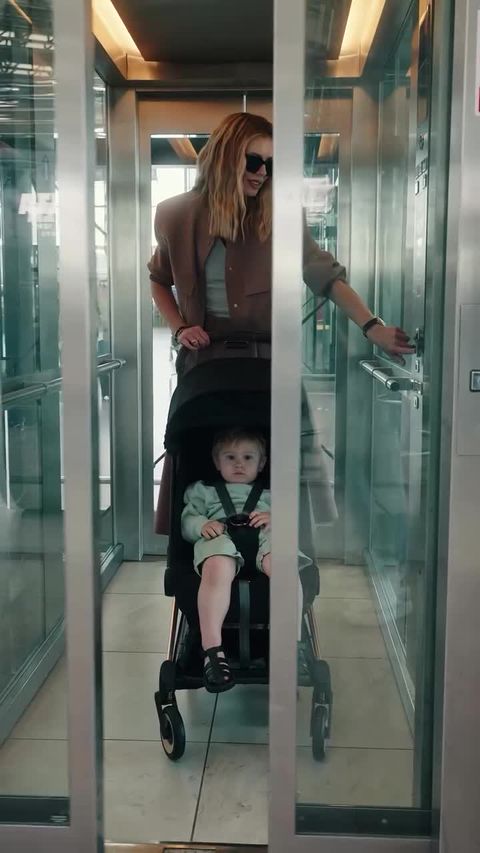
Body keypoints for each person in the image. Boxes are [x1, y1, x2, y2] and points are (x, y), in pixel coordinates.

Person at [148, 111, 415, 533]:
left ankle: (287, 569)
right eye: (254, 160)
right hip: (205, 368)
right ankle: (207, 560)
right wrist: (180, 327)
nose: (262, 173)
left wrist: (372, 326)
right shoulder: (174, 215)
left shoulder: (281, 215)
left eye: (270, 164)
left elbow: (325, 276)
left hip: (269, 367)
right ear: (225, 156)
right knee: (202, 464)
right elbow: (159, 279)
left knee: (281, 477)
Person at [182, 427, 304, 693]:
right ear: (217, 462)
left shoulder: (274, 494)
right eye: (230, 457)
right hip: (219, 536)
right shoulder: (203, 491)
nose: (239, 464)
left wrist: (277, 518)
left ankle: (290, 646)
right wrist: (202, 525)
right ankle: (213, 651)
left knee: (284, 567)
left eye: (248, 457)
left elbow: (294, 522)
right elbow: (188, 519)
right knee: (216, 566)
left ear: (262, 463)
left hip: (266, 538)